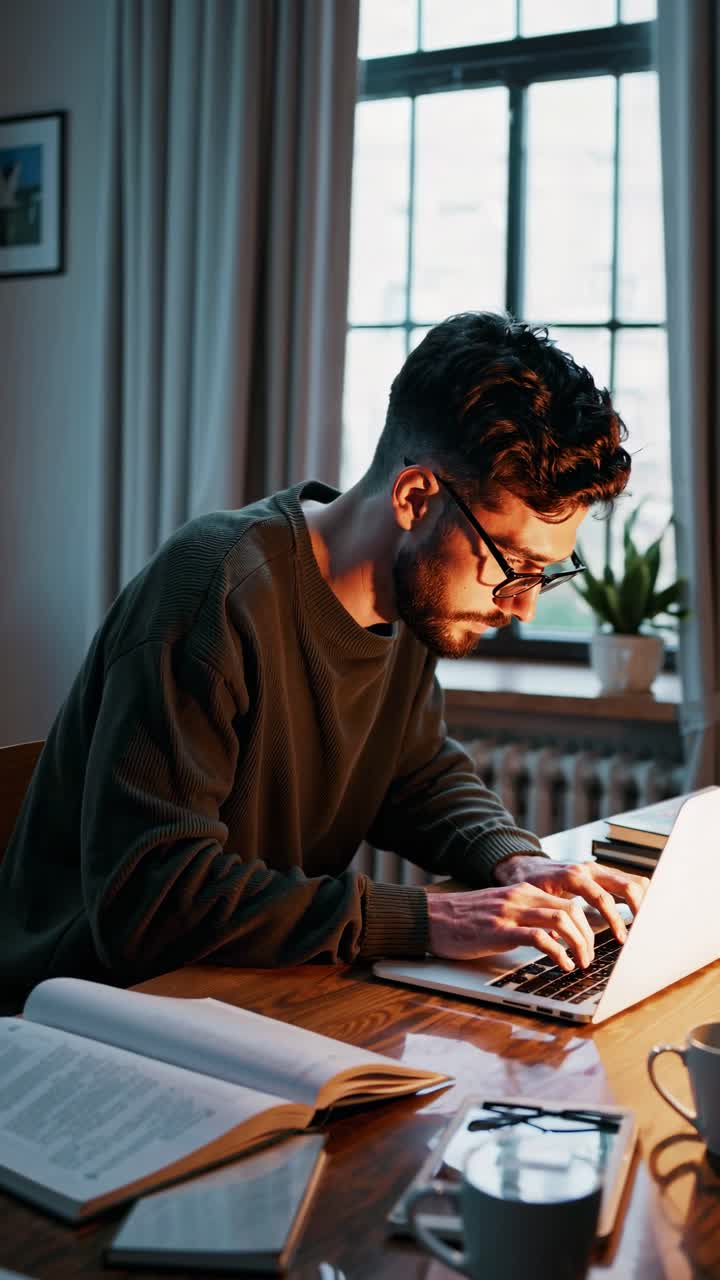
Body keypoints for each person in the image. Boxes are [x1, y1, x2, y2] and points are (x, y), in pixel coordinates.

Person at [0, 311, 647, 1006]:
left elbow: (414, 772)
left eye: (544, 575)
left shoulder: (408, 603)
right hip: (86, 1012)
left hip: (240, 989)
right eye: (512, 565)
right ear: (415, 498)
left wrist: (514, 859)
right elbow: (154, 902)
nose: (520, 607)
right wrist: (430, 918)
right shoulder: (214, 588)